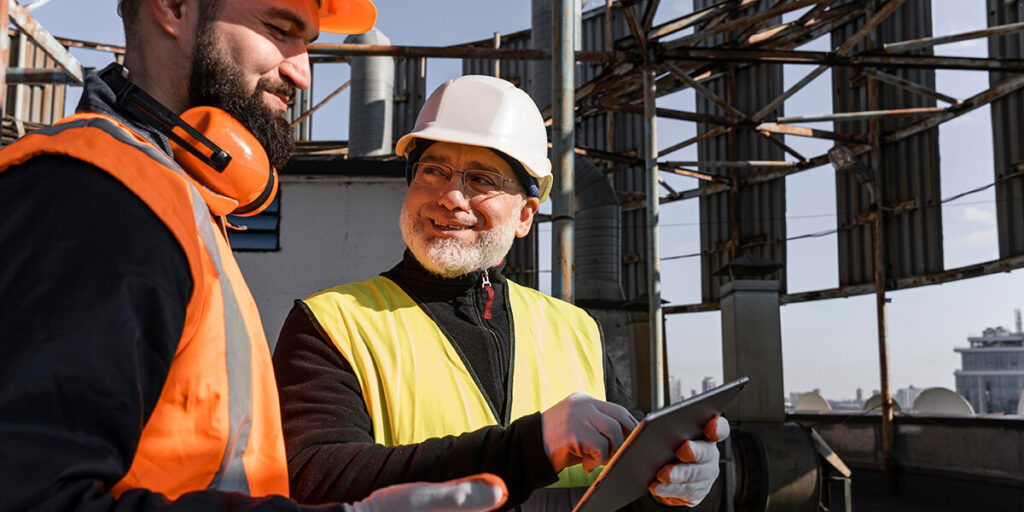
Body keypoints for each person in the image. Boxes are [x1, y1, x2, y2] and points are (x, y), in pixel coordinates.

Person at [0, 1, 508, 511]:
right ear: (174, 8)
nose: (302, 71)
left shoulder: (168, 199)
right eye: (280, 29)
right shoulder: (96, 202)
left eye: (307, 42)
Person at [273, 75, 730, 511]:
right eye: (432, 170)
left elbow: (615, 488)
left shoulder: (574, 331)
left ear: (526, 215)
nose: (451, 196)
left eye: (482, 180)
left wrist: (670, 488)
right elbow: (313, 478)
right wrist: (535, 446)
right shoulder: (331, 324)